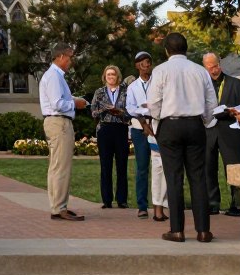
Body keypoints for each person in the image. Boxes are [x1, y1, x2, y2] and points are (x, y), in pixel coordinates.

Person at [146, 32, 217, 243]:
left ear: (167, 50)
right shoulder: (200, 71)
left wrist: (159, 119)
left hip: (170, 125)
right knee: (198, 177)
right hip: (195, 125)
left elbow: (153, 102)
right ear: (186, 49)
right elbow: (210, 103)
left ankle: (177, 230)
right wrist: (205, 121)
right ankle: (203, 230)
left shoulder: (160, 71)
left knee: (174, 178)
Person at [39, 43, 88, 221]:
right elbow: (57, 104)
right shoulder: (53, 76)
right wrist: (75, 103)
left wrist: (75, 99)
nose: (71, 61)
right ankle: (59, 207)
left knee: (57, 166)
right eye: (69, 57)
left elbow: (59, 99)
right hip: (59, 123)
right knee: (61, 167)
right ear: (60, 57)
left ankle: (58, 205)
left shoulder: (55, 76)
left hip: (57, 122)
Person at [202, 52, 240, 216]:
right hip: (208, 131)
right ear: (204, 68)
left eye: (215, 66)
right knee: (208, 167)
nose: (213, 70)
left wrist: (232, 112)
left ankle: (237, 204)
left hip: (230, 131)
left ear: (219, 64)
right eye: (209, 67)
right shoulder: (202, 86)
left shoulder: (234, 83)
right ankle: (212, 203)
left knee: (233, 167)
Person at [90, 65, 129, 209]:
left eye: (113, 74)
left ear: (117, 76)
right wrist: (104, 110)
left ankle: (122, 199)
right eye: (108, 75)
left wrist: (120, 112)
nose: (111, 77)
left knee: (121, 165)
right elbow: (93, 112)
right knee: (105, 165)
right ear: (104, 77)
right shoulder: (99, 92)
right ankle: (106, 200)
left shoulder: (125, 91)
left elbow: (130, 111)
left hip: (120, 128)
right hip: (105, 129)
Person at [124, 50, 157, 219]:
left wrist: (146, 107)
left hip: (157, 128)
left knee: (160, 167)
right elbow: (130, 108)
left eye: (149, 62)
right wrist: (143, 117)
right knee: (142, 168)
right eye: (143, 63)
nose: (147, 65)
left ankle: (162, 204)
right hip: (139, 129)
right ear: (137, 66)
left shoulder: (158, 83)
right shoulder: (132, 87)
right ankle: (142, 205)